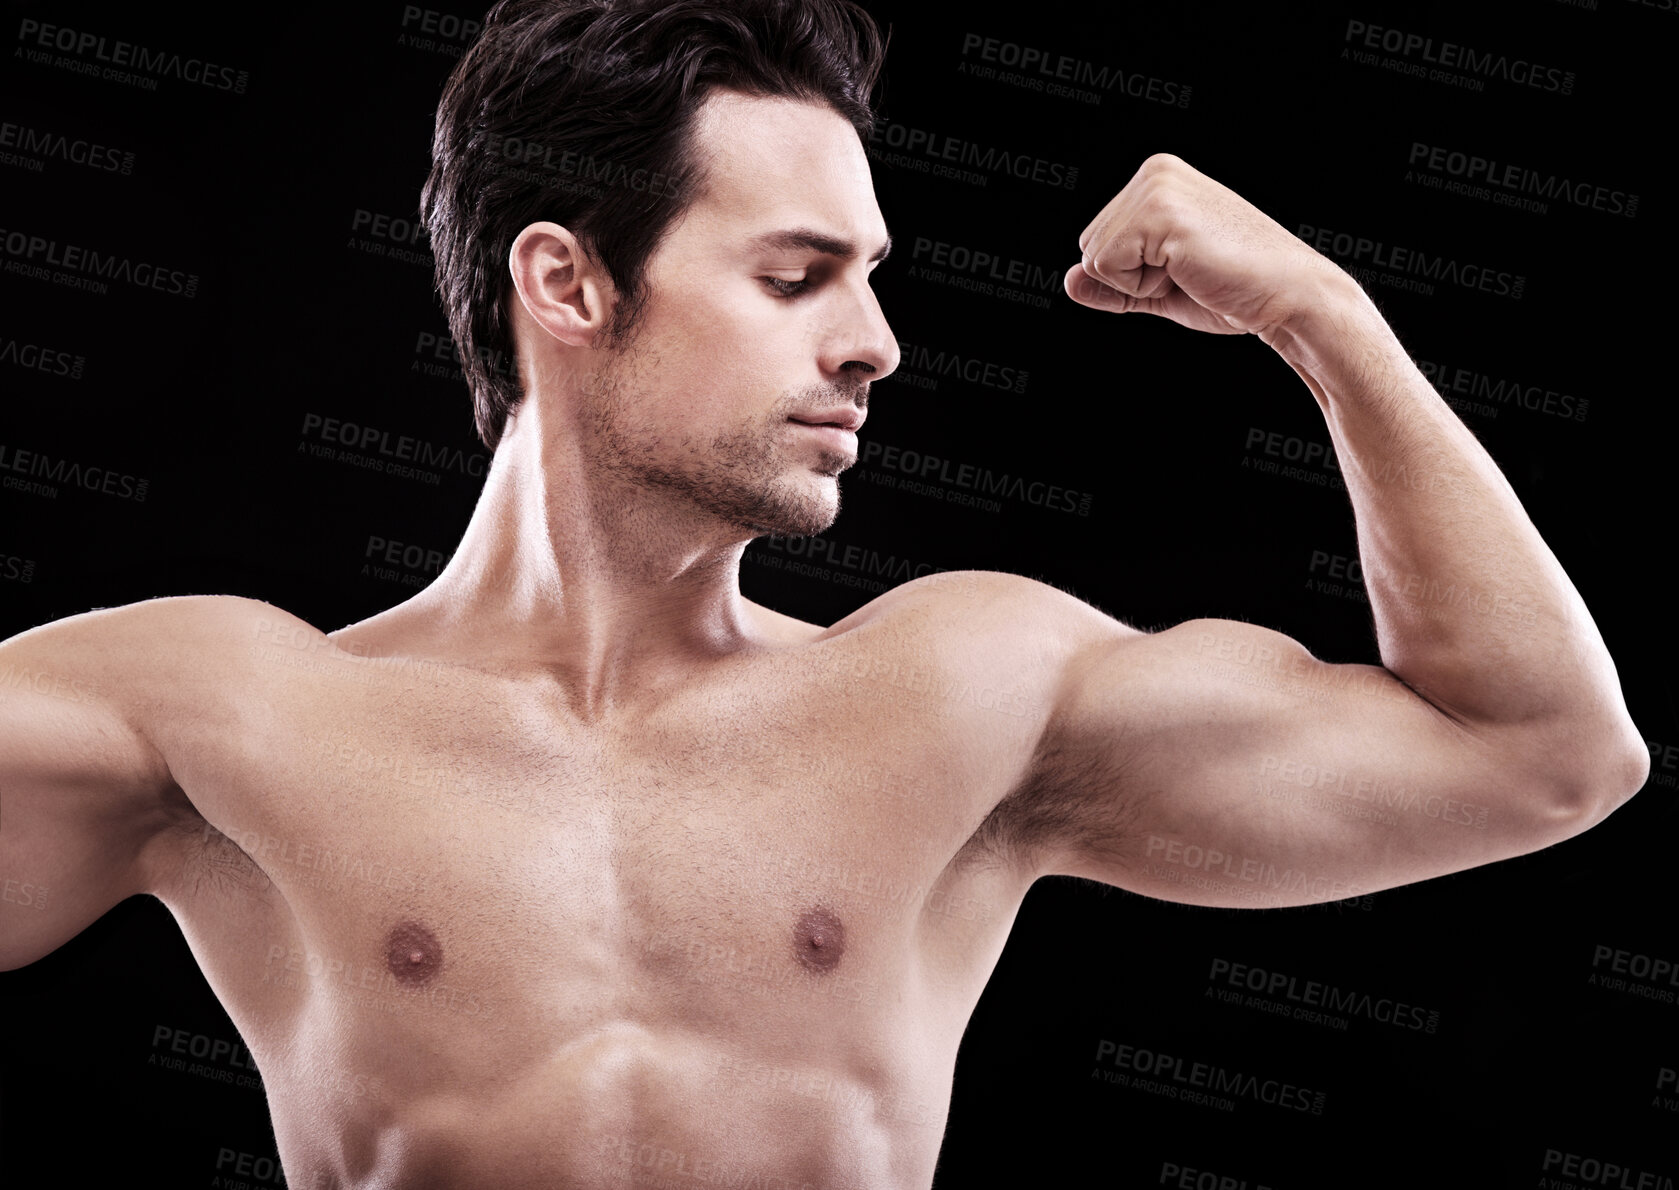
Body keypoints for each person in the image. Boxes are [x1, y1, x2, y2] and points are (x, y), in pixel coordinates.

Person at [0, 0, 1647, 1185]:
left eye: (869, 279)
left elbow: (1544, 752)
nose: (874, 343)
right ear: (567, 282)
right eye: (795, 278)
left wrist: (1321, 312)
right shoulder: (233, 718)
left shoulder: (965, 694)